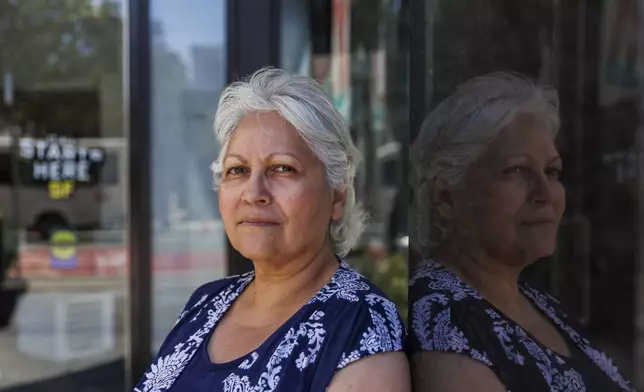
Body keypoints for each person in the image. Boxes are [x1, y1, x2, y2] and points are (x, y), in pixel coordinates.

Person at [134, 67, 410, 392]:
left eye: (282, 168)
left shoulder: (358, 328)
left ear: (338, 195)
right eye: (237, 170)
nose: (254, 193)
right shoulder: (206, 303)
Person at [408, 72, 634, 391]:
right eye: (516, 170)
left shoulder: (532, 299)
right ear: (445, 197)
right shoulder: (442, 325)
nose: (545, 193)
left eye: (552, 171)